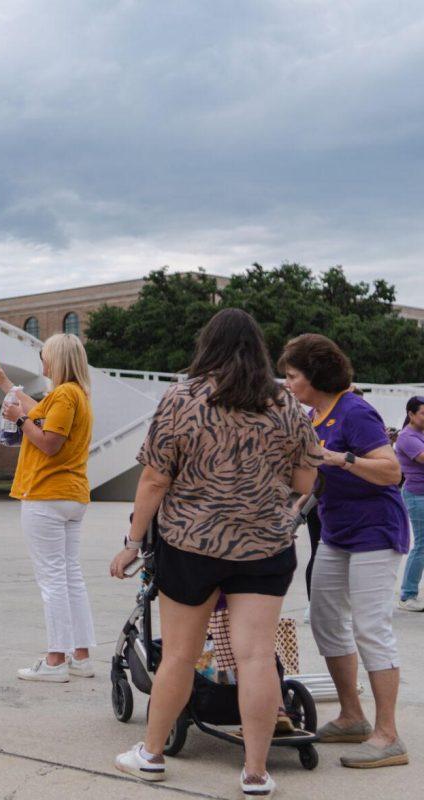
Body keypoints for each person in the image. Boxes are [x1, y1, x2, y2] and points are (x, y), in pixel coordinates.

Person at [110, 309, 321, 797]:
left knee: (180, 656)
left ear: (208, 345)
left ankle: (151, 754)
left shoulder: (181, 398)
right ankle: (254, 772)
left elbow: (155, 478)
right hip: (264, 547)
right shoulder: (284, 404)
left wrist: (133, 542)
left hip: (191, 545)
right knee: (255, 657)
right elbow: (306, 480)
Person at [280, 334, 409, 769]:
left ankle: (388, 735)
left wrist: (342, 460)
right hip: (337, 532)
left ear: (314, 376)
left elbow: (390, 471)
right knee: (324, 616)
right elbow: (317, 478)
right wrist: (295, 510)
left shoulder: (355, 411)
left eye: (293, 375)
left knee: (371, 627)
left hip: (375, 532)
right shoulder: (315, 415)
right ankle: (353, 716)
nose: (288, 382)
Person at [0, 333, 94, 683]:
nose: (43, 363)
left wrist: (19, 421)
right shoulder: (76, 395)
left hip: (46, 493)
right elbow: (39, 413)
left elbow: (48, 443)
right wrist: (4, 383)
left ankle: (55, 660)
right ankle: (80, 655)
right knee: (70, 576)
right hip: (71, 496)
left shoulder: (63, 394)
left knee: (52, 580)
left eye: (46, 356)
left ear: (58, 359)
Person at [395, 396, 424, 611]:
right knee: (422, 545)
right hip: (417, 495)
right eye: (423, 413)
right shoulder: (407, 437)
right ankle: (407, 595)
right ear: (411, 414)